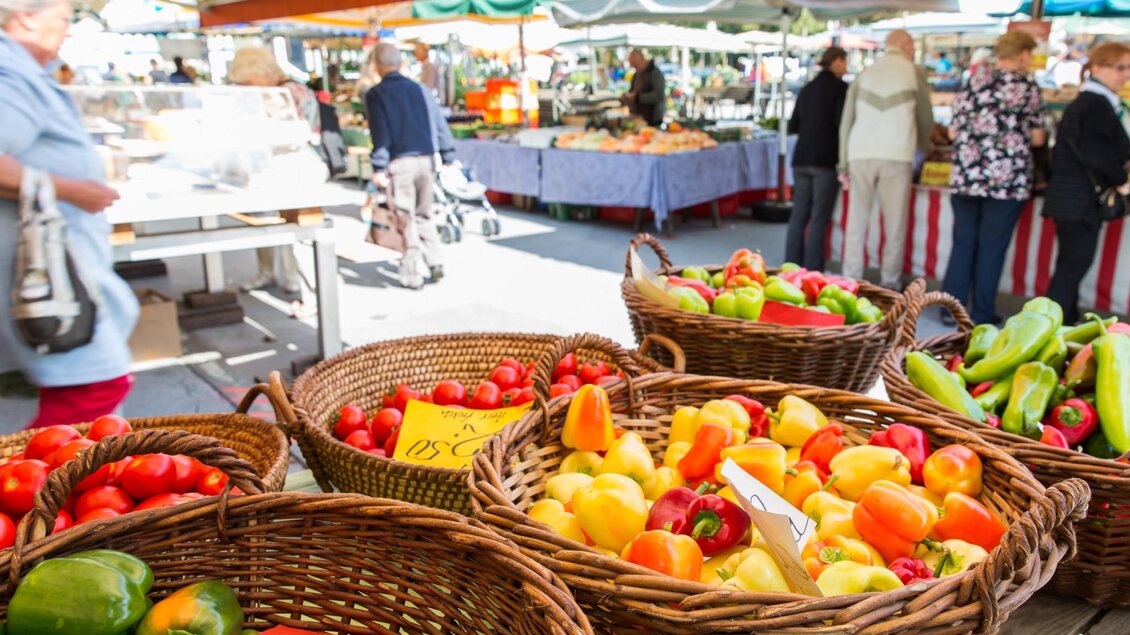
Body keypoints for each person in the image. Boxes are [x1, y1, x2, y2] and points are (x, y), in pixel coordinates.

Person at [0, 0, 139, 427]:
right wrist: (72, 189)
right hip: (44, 271)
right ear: (25, 17)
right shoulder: (10, 75)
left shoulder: (19, 71)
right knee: (94, 388)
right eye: (62, 19)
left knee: (88, 389)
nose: (68, 31)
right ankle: (28, 486)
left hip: (49, 265)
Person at [941, 32, 1046, 327]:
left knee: (963, 243)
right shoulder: (1025, 86)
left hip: (966, 176)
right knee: (992, 247)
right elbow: (1038, 138)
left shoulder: (974, 81)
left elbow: (952, 132)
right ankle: (981, 313)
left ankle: (951, 310)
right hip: (1006, 182)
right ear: (1023, 54)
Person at [838, 29, 934, 290]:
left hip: (860, 153)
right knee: (894, 225)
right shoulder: (913, 72)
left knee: (856, 222)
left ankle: (850, 279)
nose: (913, 48)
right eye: (912, 43)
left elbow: (847, 121)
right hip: (897, 154)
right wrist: (922, 149)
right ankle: (890, 282)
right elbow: (926, 120)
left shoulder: (865, 72)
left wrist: (843, 161)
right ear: (903, 44)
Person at [1044, 41, 1130, 325]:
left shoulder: (1093, 101)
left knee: (1071, 265)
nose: (1126, 74)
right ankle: (1049, 326)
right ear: (1097, 68)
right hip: (1078, 200)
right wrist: (1121, 181)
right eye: (1120, 67)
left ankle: (1063, 323)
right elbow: (1097, 154)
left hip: (1072, 199)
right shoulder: (1095, 104)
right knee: (1073, 266)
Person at [228, 47, 323, 295]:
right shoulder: (270, 91)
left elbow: (293, 133)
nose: (247, 87)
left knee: (292, 226)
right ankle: (269, 272)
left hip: (292, 167)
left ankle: (298, 281)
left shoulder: (288, 92)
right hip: (267, 167)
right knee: (262, 221)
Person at [365, 41, 456, 290]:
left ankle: (412, 273)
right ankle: (436, 261)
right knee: (424, 213)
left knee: (405, 218)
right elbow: (439, 123)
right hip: (426, 160)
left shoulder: (376, 94)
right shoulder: (420, 89)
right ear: (400, 62)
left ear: (377, 65)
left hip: (400, 162)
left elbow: (380, 134)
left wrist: (379, 167)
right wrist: (448, 155)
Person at [785, 47, 848, 271]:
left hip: (801, 158)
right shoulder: (841, 89)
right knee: (819, 217)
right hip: (825, 161)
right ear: (838, 62)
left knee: (799, 213)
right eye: (845, 62)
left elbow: (793, 124)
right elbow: (843, 125)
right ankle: (812, 270)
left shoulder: (807, 88)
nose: (846, 68)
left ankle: (790, 266)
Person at [622, 49, 665, 126]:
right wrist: (627, 97)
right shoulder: (636, 75)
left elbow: (658, 96)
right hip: (638, 117)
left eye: (635, 63)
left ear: (641, 59)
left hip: (652, 119)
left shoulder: (655, 73)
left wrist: (637, 97)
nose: (633, 66)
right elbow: (632, 91)